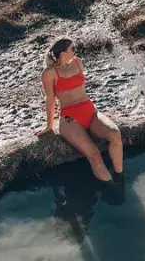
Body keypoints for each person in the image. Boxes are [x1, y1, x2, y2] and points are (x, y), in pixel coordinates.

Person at [38, 38, 123, 182]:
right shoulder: (49, 73)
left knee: (115, 134)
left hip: (90, 111)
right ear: (63, 53)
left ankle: (120, 178)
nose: (75, 51)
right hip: (70, 118)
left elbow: (81, 89)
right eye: (73, 48)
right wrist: (49, 125)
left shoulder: (78, 62)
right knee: (94, 154)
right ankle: (113, 188)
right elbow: (50, 100)